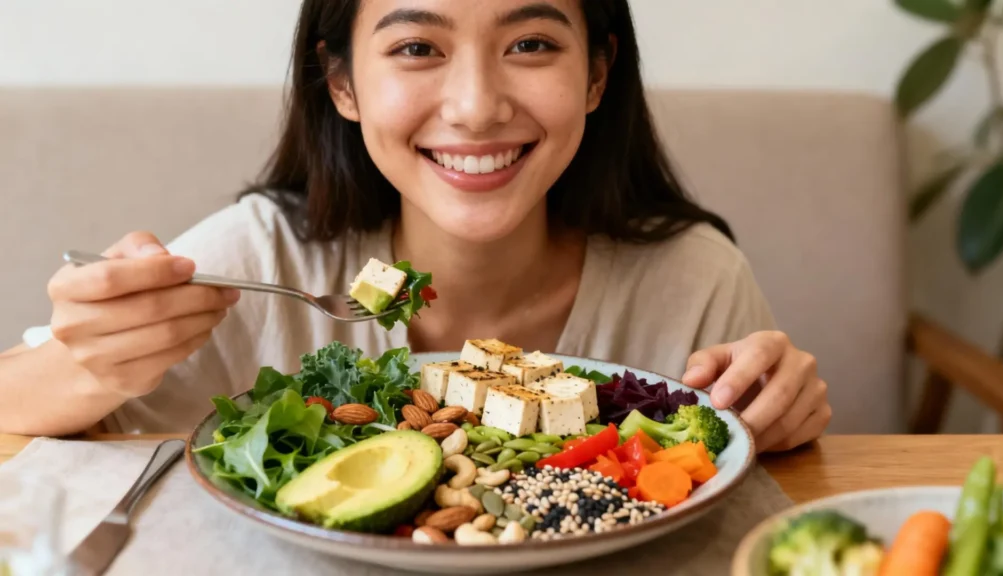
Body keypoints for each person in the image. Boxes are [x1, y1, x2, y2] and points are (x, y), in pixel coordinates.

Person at [0, 0, 830, 452]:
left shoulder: (693, 278)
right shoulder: (260, 259)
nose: (475, 107)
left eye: (532, 42)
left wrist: (779, 419)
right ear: (342, 85)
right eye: (416, 49)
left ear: (597, 75)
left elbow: (746, 485)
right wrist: (90, 360)